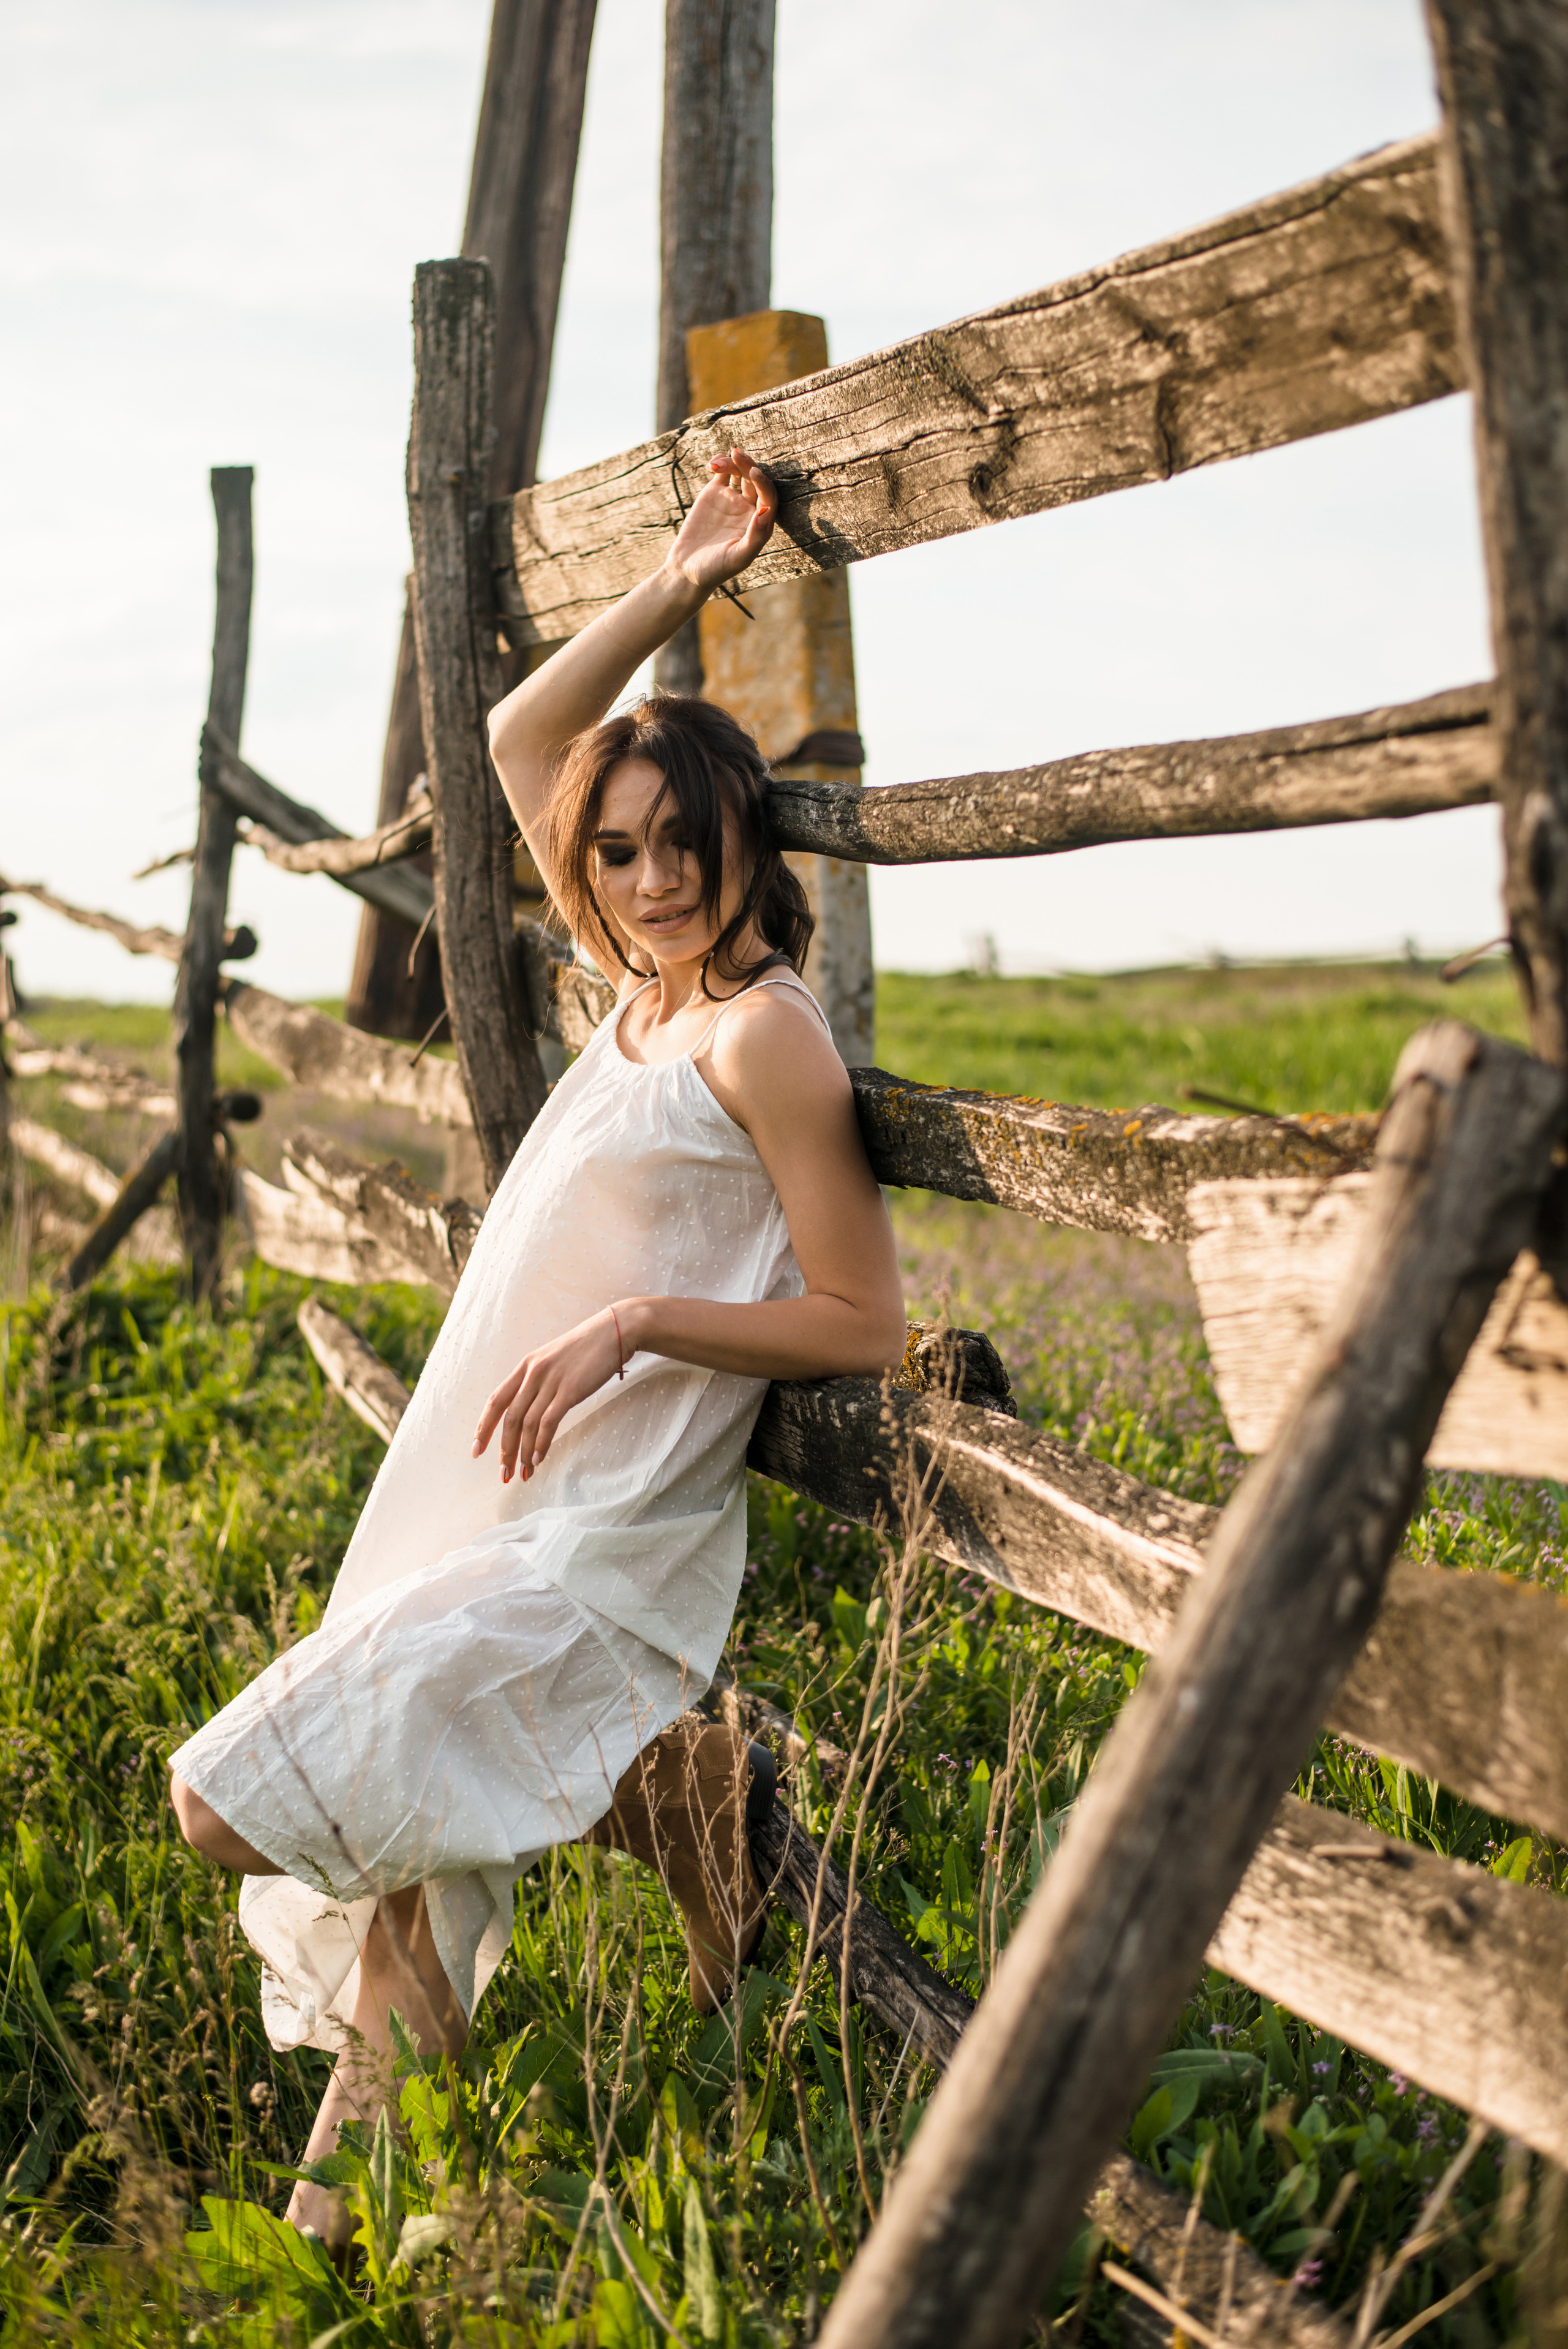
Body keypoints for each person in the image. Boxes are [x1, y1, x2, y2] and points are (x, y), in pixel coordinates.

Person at [167, 447, 907, 2245]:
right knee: (409, 1885)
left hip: (610, 1544)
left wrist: (642, 1317)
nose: (650, 877)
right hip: (497, 1517)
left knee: (219, 1802)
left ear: (745, 837)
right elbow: (517, 741)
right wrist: (674, 584)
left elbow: (864, 1314)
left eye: (682, 842)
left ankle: (674, 1780)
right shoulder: (638, 994)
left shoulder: (759, 1038)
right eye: (622, 849)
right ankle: (328, 2243)